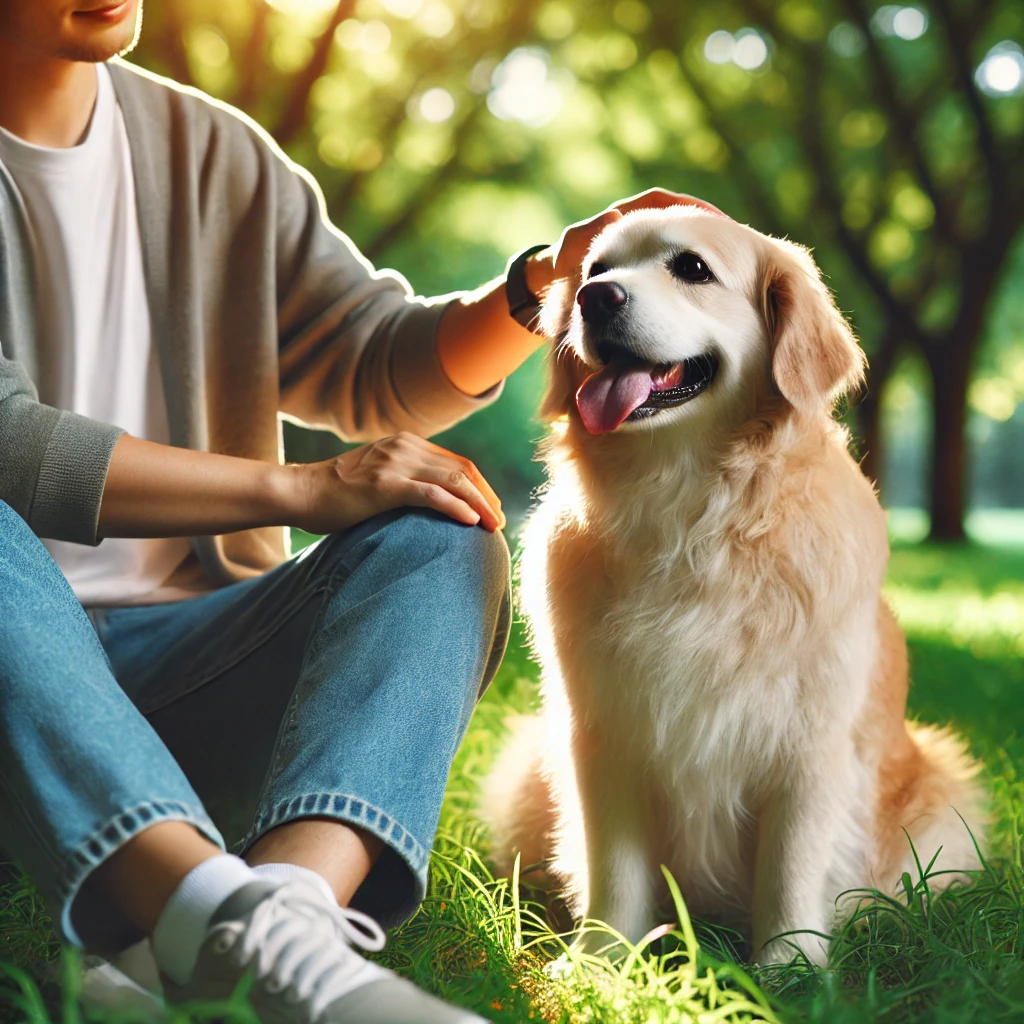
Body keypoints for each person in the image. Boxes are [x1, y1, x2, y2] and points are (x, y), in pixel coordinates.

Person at [0, 1, 713, 1021]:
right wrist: (300, 488)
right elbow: (10, 445)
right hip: (14, 672)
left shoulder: (213, 153)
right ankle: (214, 920)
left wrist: (538, 284)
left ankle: (282, 917)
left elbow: (375, 363)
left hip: (202, 669)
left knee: (438, 522)